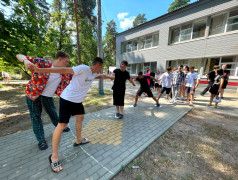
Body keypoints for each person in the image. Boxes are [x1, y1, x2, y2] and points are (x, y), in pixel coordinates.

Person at [31, 57, 110, 172]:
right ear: (97, 65)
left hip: (77, 102)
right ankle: (53, 156)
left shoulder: (93, 74)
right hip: (67, 99)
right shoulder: (83, 68)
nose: (102, 69)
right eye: (102, 67)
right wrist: (40, 70)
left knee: (80, 117)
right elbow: (63, 70)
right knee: (62, 125)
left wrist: (110, 77)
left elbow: (101, 76)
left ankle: (78, 140)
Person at [16, 52, 72, 150]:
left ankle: (59, 127)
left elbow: (79, 74)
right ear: (59, 59)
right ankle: (41, 140)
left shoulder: (64, 71)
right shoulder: (43, 63)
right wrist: (25, 61)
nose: (67, 64)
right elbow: (19, 55)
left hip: (47, 96)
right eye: (66, 61)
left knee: (53, 112)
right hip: (33, 94)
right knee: (36, 116)